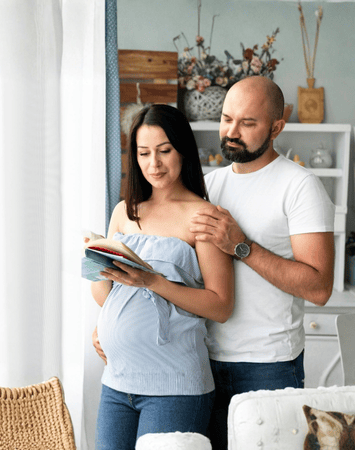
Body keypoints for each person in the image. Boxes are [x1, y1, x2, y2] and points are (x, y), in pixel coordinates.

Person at [189, 76, 335, 449]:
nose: (231, 132)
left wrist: (242, 247)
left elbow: (319, 288)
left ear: (276, 128)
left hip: (268, 365)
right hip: (201, 359)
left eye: (248, 123)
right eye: (226, 119)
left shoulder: (300, 186)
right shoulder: (208, 185)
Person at [90, 104, 234, 450]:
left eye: (164, 151)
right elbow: (106, 294)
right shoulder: (124, 211)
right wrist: (98, 263)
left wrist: (152, 281)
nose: (153, 164)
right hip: (117, 380)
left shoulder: (203, 215)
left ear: (182, 150)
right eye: (143, 153)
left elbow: (220, 306)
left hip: (175, 384)